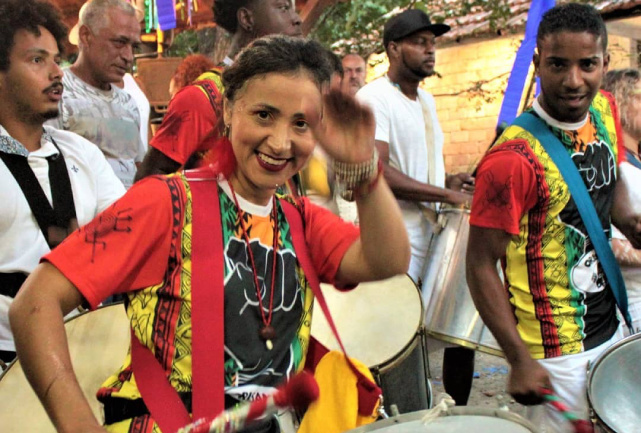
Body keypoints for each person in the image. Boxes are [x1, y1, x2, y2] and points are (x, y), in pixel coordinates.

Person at [10, 35, 410, 433]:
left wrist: (363, 168)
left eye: (301, 123)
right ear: (230, 110)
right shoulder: (163, 204)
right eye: (264, 115)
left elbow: (387, 260)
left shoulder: (301, 220)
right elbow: (35, 303)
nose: (280, 141)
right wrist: (78, 426)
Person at [466, 4, 641, 432]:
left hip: (613, 323)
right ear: (538, 60)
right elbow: (479, 265)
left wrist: (632, 221)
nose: (573, 80)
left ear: (606, 63)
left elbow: (606, 184)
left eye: (587, 65)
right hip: (553, 353)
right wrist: (518, 359)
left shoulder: (603, 111)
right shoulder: (511, 159)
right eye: (558, 65)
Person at [355, 8, 476, 406]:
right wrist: (447, 196)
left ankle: (456, 411)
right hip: (396, 242)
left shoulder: (426, 100)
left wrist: (448, 183)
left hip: (434, 236)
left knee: (459, 327)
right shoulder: (374, 98)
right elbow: (379, 172)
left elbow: (417, 172)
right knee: (398, 343)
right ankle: (401, 414)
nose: (430, 50)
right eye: (420, 42)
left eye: (433, 43)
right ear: (393, 48)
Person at [0, 0, 125, 365]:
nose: (58, 73)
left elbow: (127, 236)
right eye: (37, 60)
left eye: (57, 59)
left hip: (85, 355)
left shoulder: (81, 153)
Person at [135, 0, 304, 180]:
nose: (297, 19)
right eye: (284, 8)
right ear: (246, 18)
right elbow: (148, 181)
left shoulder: (286, 95)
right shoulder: (202, 97)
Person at [46, 0, 145, 189]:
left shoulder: (128, 103)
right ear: (86, 36)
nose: (129, 56)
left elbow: (137, 164)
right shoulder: (56, 93)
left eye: (134, 47)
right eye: (119, 42)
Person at [602, 68, 641, 334]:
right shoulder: (612, 167)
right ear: (620, 100)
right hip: (634, 310)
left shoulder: (633, 163)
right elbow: (610, 243)